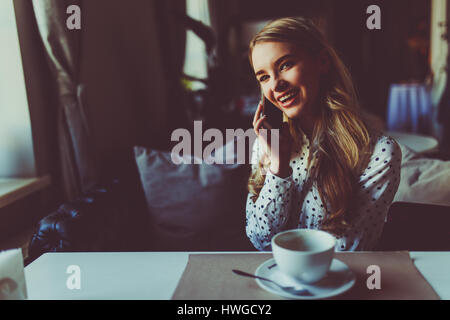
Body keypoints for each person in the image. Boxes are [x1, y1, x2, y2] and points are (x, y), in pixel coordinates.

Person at [245, 17, 402, 251]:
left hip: (338, 284)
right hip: (274, 281)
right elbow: (260, 239)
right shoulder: (266, 145)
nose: (276, 86)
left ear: (322, 63)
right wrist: (278, 165)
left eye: (285, 65)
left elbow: (349, 249)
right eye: (264, 77)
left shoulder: (379, 152)